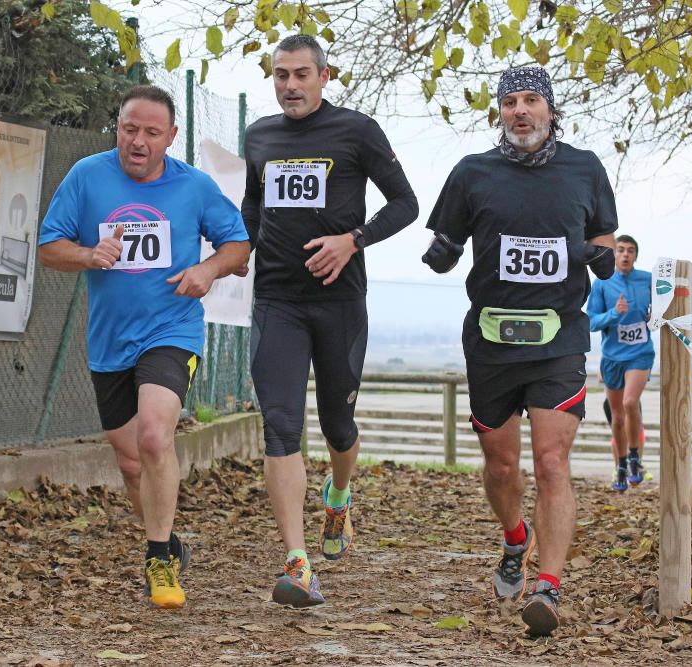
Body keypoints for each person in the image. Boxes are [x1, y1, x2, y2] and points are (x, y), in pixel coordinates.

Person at [422, 66, 617, 636]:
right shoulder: (472, 173)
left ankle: (549, 588)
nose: (521, 112)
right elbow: (449, 239)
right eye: (510, 102)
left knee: (552, 461)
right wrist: (441, 253)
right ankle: (515, 537)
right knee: (501, 465)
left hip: (558, 337)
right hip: (490, 337)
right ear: (500, 113)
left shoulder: (584, 168)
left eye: (532, 100)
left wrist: (600, 256)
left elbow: (604, 235)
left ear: (551, 110)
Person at [38, 85, 250, 609]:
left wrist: (206, 269)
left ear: (171, 137)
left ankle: (158, 557)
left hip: (171, 330)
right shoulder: (87, 176)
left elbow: (239, 244)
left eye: (151, 133)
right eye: (129, 128)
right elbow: (49, 248)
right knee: (131, 462)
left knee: (156, 436)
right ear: (117, 126)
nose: (137, 141)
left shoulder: (194, 187)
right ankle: (169, 539)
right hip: (111, 340)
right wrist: (89, 254)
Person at [241, 34, 418, 607]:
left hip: (339, 302)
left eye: (300, 74)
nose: (289, 85)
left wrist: (353, 240)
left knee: (338, 425)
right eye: (280, 75)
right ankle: (297, 563)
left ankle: (339, 496)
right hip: (277, 300)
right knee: (280, 425)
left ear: (323, 76)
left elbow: (405, 204)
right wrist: (238, 249)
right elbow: (253, 205)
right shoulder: (260, 136)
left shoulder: (357, 131)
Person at [588, 235, 653, 491]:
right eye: (621, 250)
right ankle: (622, 464)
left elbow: (666, 307)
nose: (625, 255)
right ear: (614, 254)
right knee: (617, 416)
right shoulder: (602, 284)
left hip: (640, 352)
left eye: (631, 251)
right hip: (613, 356)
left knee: (630, 402)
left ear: (636, 255)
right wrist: (614, 313)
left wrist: (655, 315)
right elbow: (591, 321)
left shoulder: (648, 280)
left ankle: (636, 457)